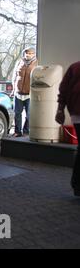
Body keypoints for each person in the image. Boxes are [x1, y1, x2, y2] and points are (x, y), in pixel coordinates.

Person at [55, 61, 80, 197]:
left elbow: (63, 89)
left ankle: (77, 184)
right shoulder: (75, 68)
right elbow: (64, 89)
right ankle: (77, 184)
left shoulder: (74, 67)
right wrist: (60, 109)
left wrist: (60, 109)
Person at [12, 48, 38, 137]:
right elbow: (14, 77)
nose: (28, 55)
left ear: (34, 54)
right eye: (27, 53)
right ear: (24, 54)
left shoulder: (37, 64)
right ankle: (17, 131)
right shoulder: (19, 62)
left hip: (30, 94)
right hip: (18, 93)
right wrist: (13, 89)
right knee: (17, 113)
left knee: (29, 114)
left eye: (31, 53)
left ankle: (26, 131)